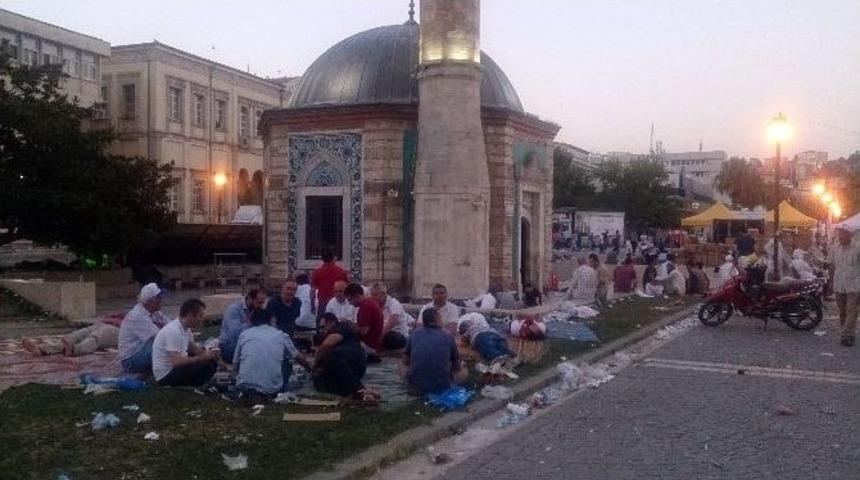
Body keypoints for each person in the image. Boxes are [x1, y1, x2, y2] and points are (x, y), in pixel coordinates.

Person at [232, 308, 312, 400]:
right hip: (271, 390)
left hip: (243, 387)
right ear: (270, 320)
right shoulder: (280, 335)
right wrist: (310, 369)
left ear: (251, 321)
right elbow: (298, 358)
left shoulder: (244, 334)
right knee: (287, 362)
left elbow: (235, 364)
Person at [152, 299, 219, 387]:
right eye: (200, 315)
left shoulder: (185, 329)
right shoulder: (174, 331)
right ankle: (195, 385)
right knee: (206, 365)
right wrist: (201, 358)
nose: (202, 319)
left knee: (210, 361)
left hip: (174, 369)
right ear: (190, 315)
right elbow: (176, 362)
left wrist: (211, 355)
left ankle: (197, 384)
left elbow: (193, 348)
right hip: (165, 375)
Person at [313, 313, 378, 402]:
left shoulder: (338, 329)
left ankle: (362, 392)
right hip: (356, 365)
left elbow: (327, 345)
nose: (322, 331)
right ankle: (363, 390)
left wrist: (316, 363)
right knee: (323, 382)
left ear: (331, 323)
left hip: (344, 363)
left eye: (323, 327)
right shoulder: (348, 332)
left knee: (329, 358)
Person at [403, 308, 466, 395]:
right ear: (438, 319)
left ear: (424, 321)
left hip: (415, 387)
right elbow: (457, 366)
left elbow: (405, 361)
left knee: (402, 366)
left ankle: (410, 383)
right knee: (463, 371)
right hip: (441, 386)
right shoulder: (447, 336)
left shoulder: (414, 334)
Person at [118, 283, 169, 373]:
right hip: (131, 360)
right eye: (158, 297)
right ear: (150, 301)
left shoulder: (155, 313)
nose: (161, 299)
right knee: (162, 346)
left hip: (142, 351)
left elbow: (171, 325)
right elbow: (160, 337)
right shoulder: (138, 316)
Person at [829, 227, 860, 347]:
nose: (840, 237)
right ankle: (847, 332)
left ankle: (846, 335)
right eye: (839, 235)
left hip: (854, 285)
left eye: (843, 235)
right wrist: (830, 283)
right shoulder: (835, 248)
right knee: (842, 311)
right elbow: (831, 265)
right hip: (839, 284)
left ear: (850, 235)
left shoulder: (857, 248)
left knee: (851, 311)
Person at [219, 289, 267, 363]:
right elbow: (234, 333)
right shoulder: (234, 309)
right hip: (229, 346)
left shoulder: (256, 310)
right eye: (259, 302)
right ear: (250, 299)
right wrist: (250, 322)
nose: (261, 306)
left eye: (263, 303)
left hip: (247, 344)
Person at [22, 323, 119, 357]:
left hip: (119, 330)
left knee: (97, 336)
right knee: (79, 334)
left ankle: (75, 350)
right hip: (102, 323)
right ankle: (42, 350)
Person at [371, 283, 413, 351]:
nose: (372, 297)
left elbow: (391, 323)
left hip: (398, 335)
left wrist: (379, 338)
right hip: (383, 334)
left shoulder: (394, 303)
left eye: (375, 295)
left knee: (391, 337)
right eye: (371, 295)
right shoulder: (375, 305)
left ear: (383, 294)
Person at [345, 282, 384, 353]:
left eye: (350, 300)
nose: (349, 303)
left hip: (369, 346)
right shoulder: (369, 302)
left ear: (357, 296)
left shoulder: (366, 307)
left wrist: (348, 325)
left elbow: (364, 331)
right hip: (372, 344)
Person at [311, 248, 349, 320]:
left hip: (322, 302)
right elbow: (347, 288)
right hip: (337, 303)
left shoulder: (317, 272)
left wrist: (312, 305)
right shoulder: (341, 271)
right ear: (333, 258)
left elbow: (312, 291)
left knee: (321, 327)